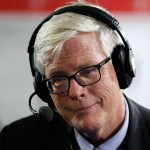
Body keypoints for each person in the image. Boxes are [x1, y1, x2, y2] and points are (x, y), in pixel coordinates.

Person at [0, 0, 150, 149]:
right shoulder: (14, 141)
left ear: (121, 67)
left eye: (88, 71)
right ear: (44, 90)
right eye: (58, 78)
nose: (75, 92)